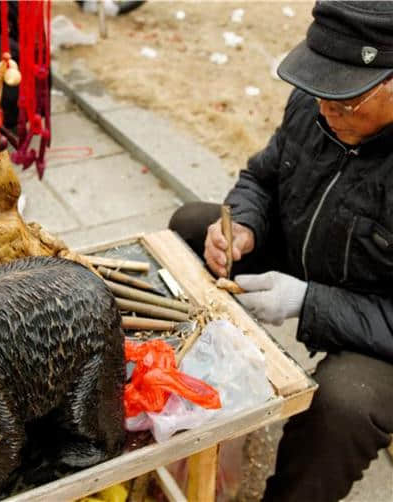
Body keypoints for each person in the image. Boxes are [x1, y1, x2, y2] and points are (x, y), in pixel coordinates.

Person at [169, 2, 393, 501]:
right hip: (312, 254)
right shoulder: (318, 104)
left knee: (346, 403)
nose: (324, 110)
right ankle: (202, 392)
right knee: (190, 226)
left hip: (380, 321)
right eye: (320, 90)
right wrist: (243, 224)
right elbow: (261, 177)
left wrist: (307, 302)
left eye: (344, 100)